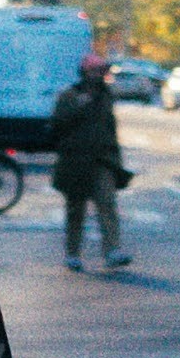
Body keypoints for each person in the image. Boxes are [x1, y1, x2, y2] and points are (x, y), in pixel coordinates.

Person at [46, 56, 130, 269]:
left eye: (101, 71)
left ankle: (112, 250)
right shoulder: (69, 95)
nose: (99, 76)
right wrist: (78, 107)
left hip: (102, 159)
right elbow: (57, 125)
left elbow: (110, 127)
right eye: (95, 71)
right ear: (84, 73)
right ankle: (72, 253)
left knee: (107, 204)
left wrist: (116, 157)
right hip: (75, 160)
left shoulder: (106, 95)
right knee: (76, 209)